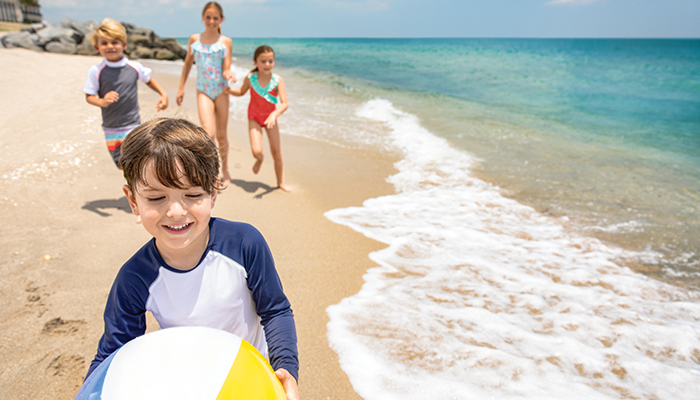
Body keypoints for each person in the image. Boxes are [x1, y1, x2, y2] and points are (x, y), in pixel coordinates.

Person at [85, 118, 300, 399]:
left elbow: (275, 310)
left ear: (212, 192)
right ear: (133, 201)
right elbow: (114, 352)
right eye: (156, 198)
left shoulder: (244, 244)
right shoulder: (134, 278)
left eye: (192, 194)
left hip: (249, 376)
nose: (176, 211)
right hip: (186, 383)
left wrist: (285, 369)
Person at [83, 18, 168, 169]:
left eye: (115, 42)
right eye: (104, 43)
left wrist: (163, 94)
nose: (110, 46)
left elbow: (148, 79)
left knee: (137, 160)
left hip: (133, 124)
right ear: (97, 47)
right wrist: (102, 102)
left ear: (124, 44)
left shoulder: (133, 67)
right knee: (121, 165)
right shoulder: (97, 71)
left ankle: (139, 190)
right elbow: (89, 97)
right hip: (111, 127)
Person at [176, 2, 235, 185]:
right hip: (203, 90)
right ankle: (212, 171)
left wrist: (229, 74)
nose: (211, 21)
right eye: (208, 17)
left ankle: (225, 168)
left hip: (221, 91)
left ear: (221, 19)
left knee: (222, 135)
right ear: (203, 18)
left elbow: (226, 67)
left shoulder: (225, 41)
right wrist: (181, 88)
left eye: (215, 18)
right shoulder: (195, 39)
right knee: (208, 134)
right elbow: (187, 64)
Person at [225, 45, 290, 192]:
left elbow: (285, 103)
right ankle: (260, 159)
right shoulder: (250, 78)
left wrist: (274, 114)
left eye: (270, 61)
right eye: (263, 61)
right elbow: (241, 92)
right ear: (255, 62)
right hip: (253, 117)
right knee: (256, 150)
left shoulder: (278, 80)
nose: (267, 65)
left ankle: (281, 183)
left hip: (270, 119)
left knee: (277, 153)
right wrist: (229, 91)